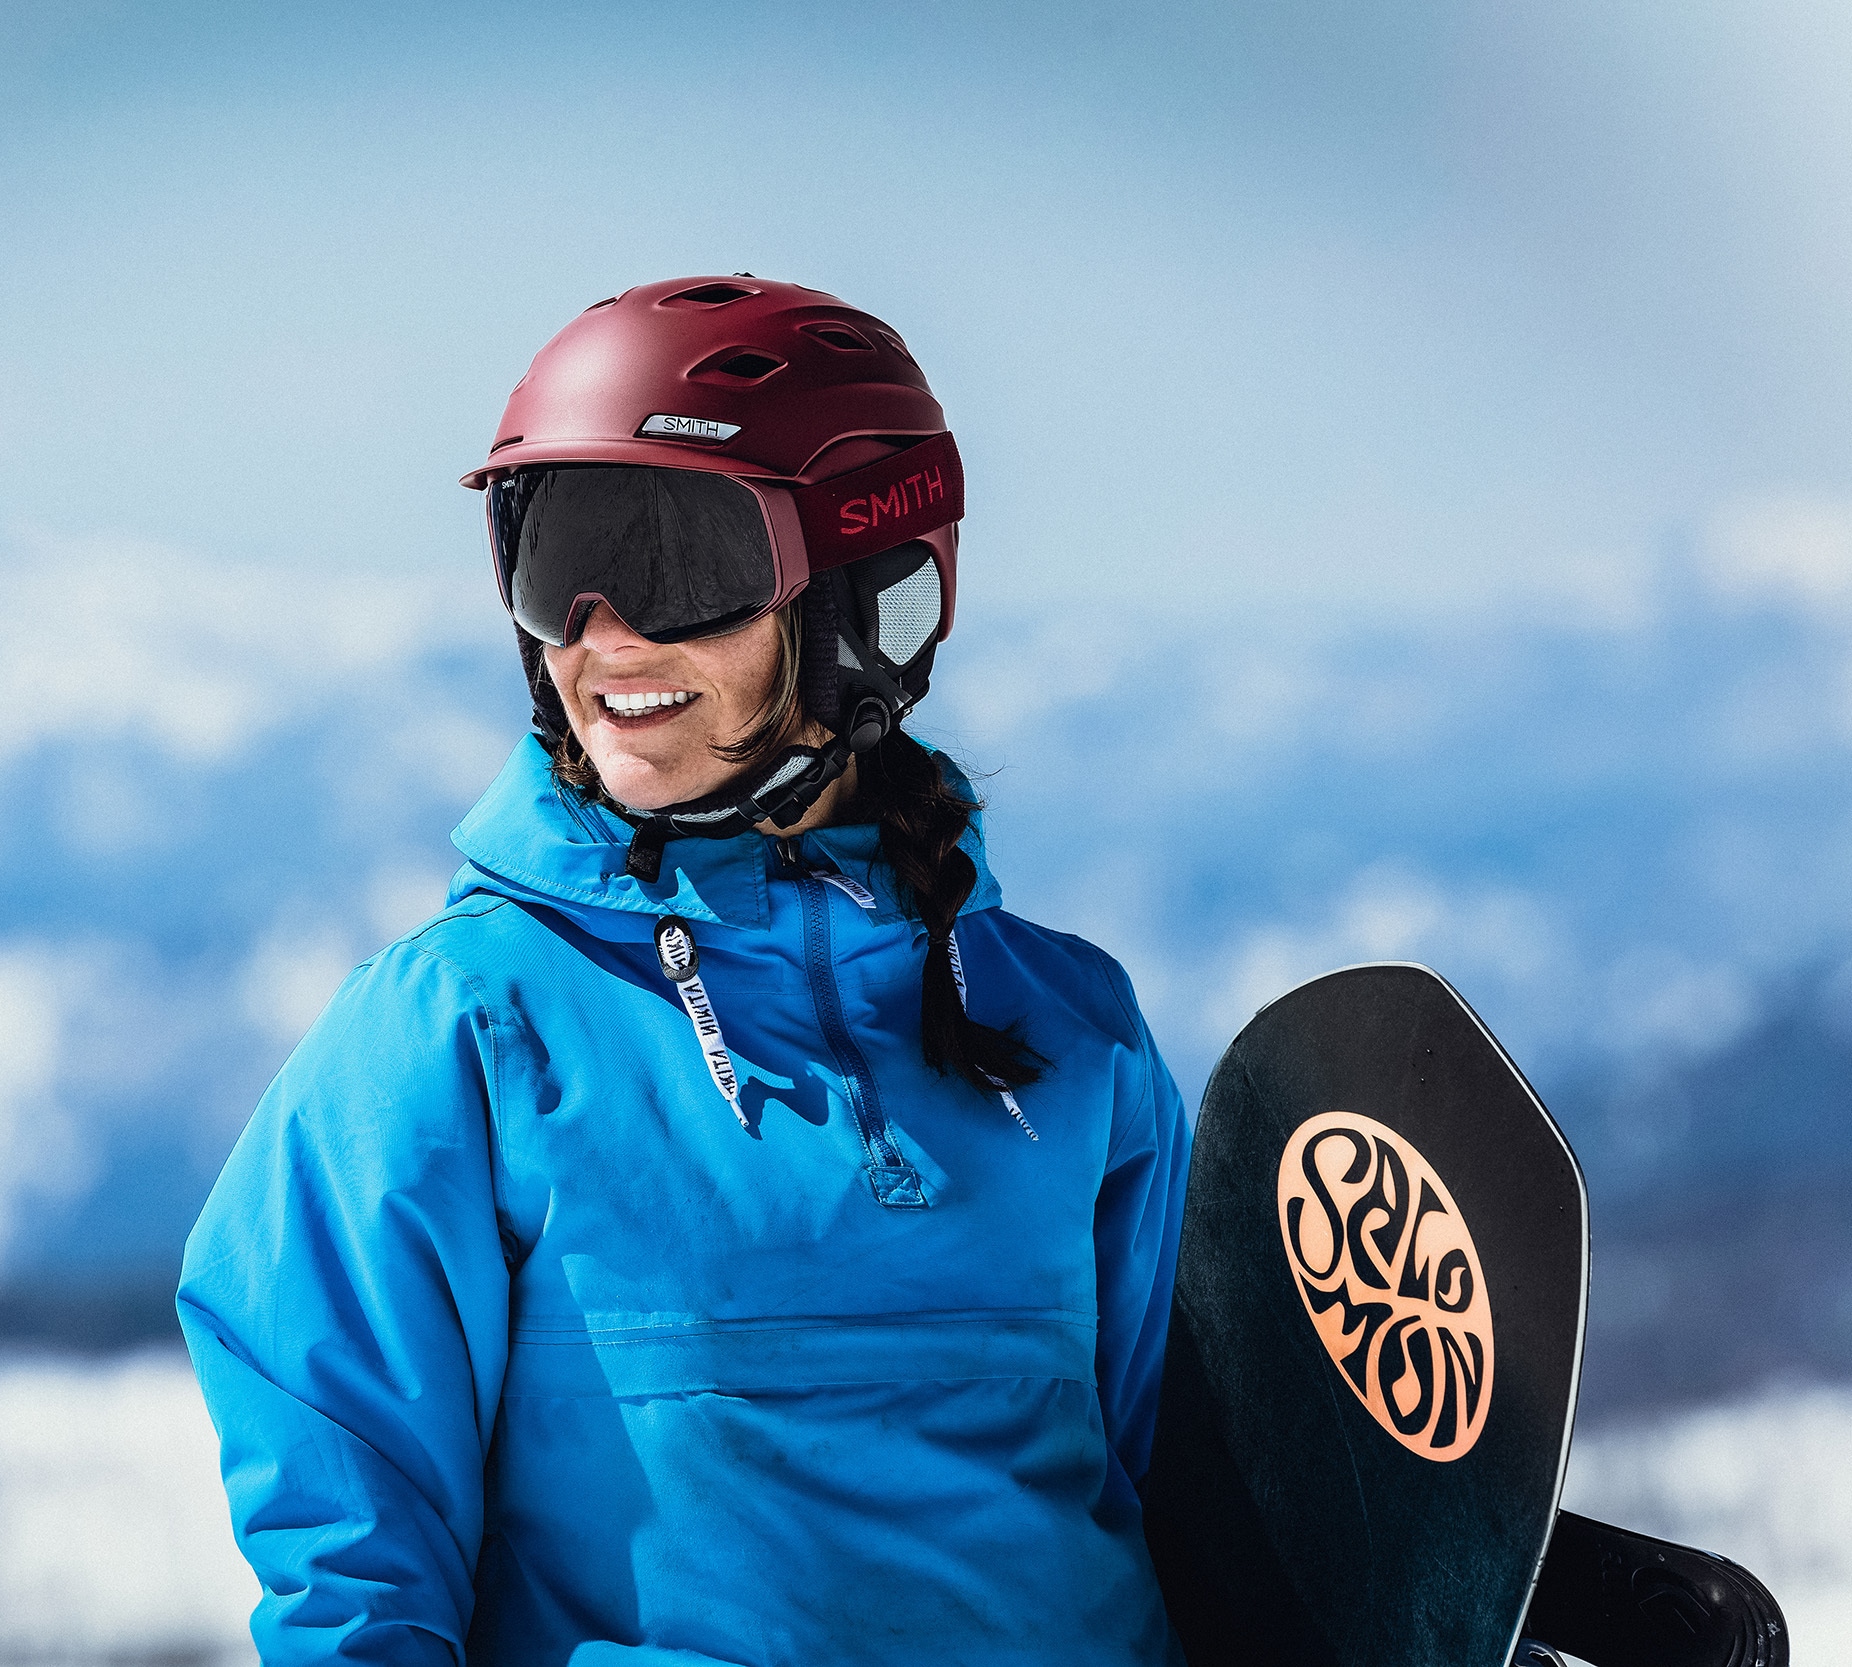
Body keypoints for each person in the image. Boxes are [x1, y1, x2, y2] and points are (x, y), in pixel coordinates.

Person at [177, 276, 1192, 1665]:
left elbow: (1176, 1494)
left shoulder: (1072, 1030)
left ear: (866, 605)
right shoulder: (461, 1032)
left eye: (670, 565)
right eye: (554, 564)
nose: (602, 635)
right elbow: (349, 1554)